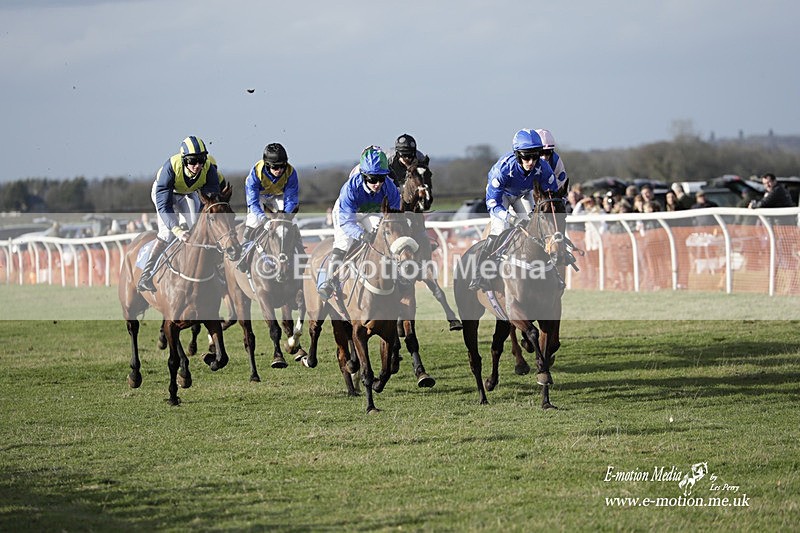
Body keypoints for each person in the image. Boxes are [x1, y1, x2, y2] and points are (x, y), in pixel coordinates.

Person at [469, 129, 557, 290]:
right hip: (501, 197)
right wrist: (510, 218)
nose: (531, 162)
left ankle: (552, 272)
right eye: (526, 157)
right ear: (517, 155)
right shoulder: (502, 169)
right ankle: (479, 273)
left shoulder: (544, 168)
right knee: (500, 229)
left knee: (535, 227)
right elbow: (493, 205)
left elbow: (552, 196)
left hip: (523, 194)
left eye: (535, 156)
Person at [137, 136, 222, 292]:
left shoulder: (209, 169)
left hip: (187, 193)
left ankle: (212, 270)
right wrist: (177, 230)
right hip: (165, 195)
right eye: (192, 161)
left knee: (197, 230)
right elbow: (164, 206)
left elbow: (211, 200)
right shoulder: (170, 168)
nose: (198, 165)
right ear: (184, 160)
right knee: (167, 234)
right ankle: (146, 275)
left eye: (201, 160)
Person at [317, 146, 401, 300]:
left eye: (381, 178)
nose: (377, 184)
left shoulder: (390, 188)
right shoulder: (350, 189)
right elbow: (347, 222)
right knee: (344, 243)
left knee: (384, 237)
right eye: (372, 179)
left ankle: (396, 275)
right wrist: (362, 235)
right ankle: (330, 281)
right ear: (363, 175)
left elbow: (394, 218)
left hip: (371, 212)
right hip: (348, 214)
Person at [237, 143, 301, 271]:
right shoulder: (256, 173)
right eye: (275, 167)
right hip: (259, 197)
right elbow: (253, 202)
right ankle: (244, 252)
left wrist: (285, 216)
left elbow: (291, 199)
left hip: (278, 195)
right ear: (267, 165)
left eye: (282, 166)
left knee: (291, 221)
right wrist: (264, 219)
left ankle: (299, 249)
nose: (279, 170)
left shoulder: (291, 172)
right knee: (253, 221)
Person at [387, 133, 432, 202]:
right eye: (404, 155)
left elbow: (424, 177)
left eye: (410, 155)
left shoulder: (420, 158)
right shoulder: (388, 158)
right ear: (398, 154)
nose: (407, 158)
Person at [535, 128, 568, 194]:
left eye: (548, 152)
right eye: (541, 152)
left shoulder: (556, 160)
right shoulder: (525, 160)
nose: (544, 157)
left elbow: (562, 183)